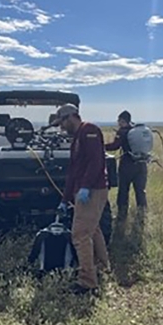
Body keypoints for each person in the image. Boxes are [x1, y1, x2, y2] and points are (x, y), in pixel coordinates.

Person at [54, 103, 109, 294]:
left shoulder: (89, 131)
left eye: (61, 122)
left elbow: (96, 161)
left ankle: (87, 282)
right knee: (93, 230)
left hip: (93, 190)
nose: (61, 127)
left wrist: (85, 187)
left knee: (80, 235)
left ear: (70, 117)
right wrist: (65, 199)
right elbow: (73, 172)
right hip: (84, 190)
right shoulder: (77, 137)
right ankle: (103, 267)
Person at [105, 110, 147, 222]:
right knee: (140, 190)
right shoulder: (136, 130)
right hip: (141, 164)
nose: (118, 123)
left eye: (119, 121)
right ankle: (141, 215)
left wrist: (101, 146)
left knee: (123, 190)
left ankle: (122, 216)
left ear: (122, 121)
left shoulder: (123, 132)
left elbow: (115, 146)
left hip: (127, 166)